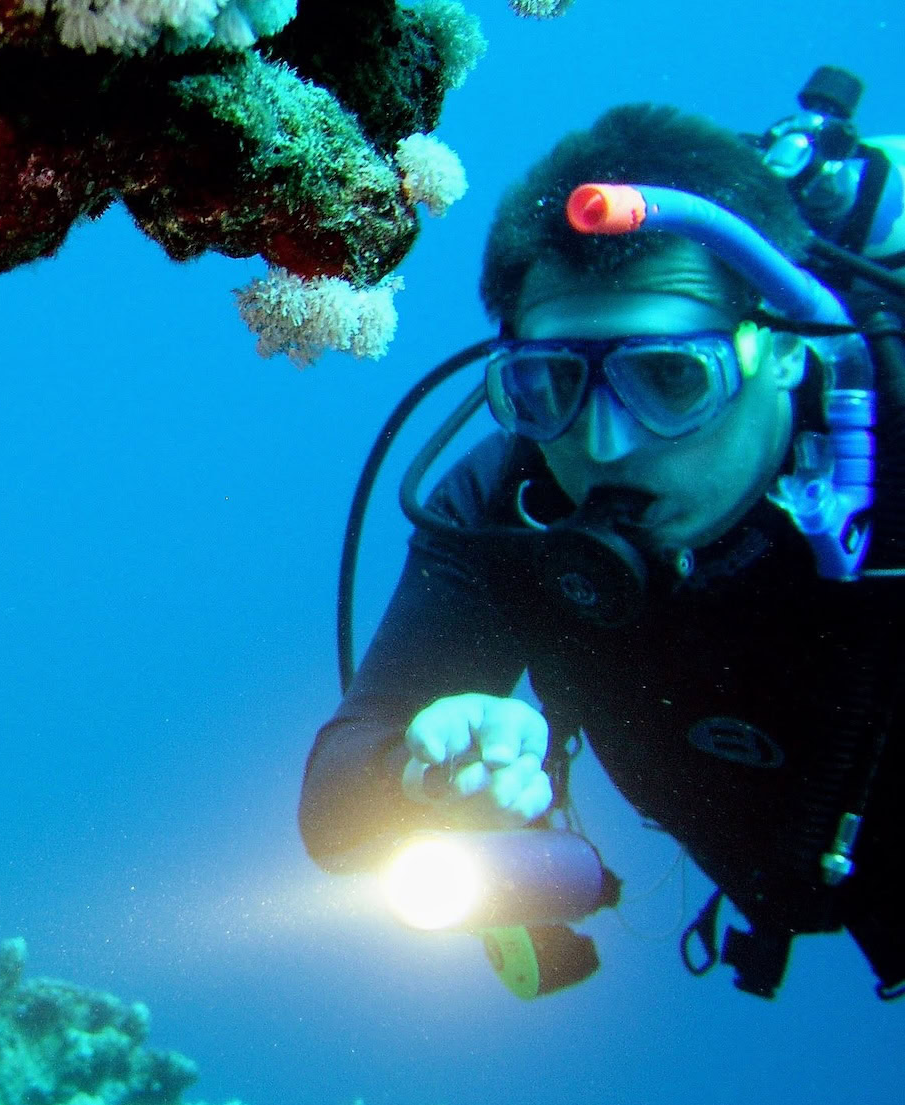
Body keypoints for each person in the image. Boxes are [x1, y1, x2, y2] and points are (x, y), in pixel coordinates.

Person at [300, 101, 905, 999]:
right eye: (549, 385)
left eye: (669, 377)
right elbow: (333, 809)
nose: (607, 444)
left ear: (780, 346)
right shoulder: (508, 505)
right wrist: (423, 770)